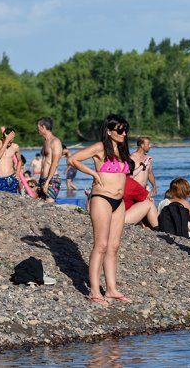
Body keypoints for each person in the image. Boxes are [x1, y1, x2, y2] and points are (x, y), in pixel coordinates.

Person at [69, 114, 132, 306]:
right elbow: (73, 159)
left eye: (125, 129)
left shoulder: (121, 149)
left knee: (113, 247)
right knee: (101, 245)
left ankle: (111, 289)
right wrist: (93, 173)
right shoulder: (99, 147)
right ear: (109, 131)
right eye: (120, 130)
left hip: (118, 202)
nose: (124, 133)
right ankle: (95, 291)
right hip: (101, 199)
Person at [36, 117, 63, 202]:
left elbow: (55, 163)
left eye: (38, 127)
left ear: (43, 127)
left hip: (52, 179)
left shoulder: (55, 142)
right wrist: (40, 179)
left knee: (49, 207)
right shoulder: (45, 142)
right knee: (41, 208)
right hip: (43, 179)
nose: (38, 130)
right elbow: (45, 161)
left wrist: (47, 181)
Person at [0, 127, 21, 194]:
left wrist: (18, 173)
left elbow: (19, 160)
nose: (10, 143)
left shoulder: (15, 147)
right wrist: (7, 140)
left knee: (13, 200)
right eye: (9, 140)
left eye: (12, 140)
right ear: (3, 137)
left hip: (12, 178)